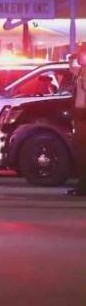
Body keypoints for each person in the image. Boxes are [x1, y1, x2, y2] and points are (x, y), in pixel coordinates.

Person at [67, 49, 86, 196]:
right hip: (79, 116)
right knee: (80, 152)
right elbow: (71, 65)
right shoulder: (80, 72)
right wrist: (75, 55)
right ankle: (82, 185)